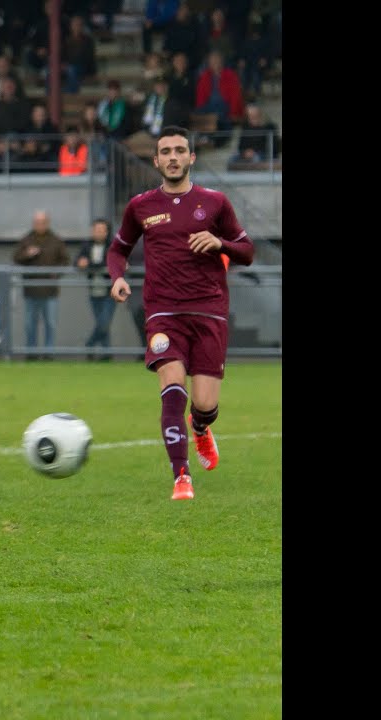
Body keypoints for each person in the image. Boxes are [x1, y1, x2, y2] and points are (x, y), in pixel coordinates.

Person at [107, 125, 253, 501]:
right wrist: (118, 277)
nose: (173, 157)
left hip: (209, 312)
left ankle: (202, 428)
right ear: (156, 161)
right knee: (172, 390)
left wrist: (220, 242)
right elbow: (118, 248)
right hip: (162, 313)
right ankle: (181, 476)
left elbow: (247, 250)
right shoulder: (141, 206)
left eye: (179, 150)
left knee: (204, 404)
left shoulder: (216, 202)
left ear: (191, 157)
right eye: (166, 151)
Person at [12, 210, 69, 360]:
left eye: (42, 222)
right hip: (31, 290)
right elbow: (16, 258)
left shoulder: (56, 240)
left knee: (50, 323)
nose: (39, 225)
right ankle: (31, 353)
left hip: (50, 290)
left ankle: (49, 353)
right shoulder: (26, 239)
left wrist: (55, 273)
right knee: (30, 324)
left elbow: (65, 261)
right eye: (37, 223)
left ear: (47, 223)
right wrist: (27, 254)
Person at [74, 219, 116, 361]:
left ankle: (90, 344)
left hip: (110, 291)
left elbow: (109, 262)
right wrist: (80, 262)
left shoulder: (112, 245)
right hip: (94, 290)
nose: (98, 233)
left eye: (101, 230)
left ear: (106, 232)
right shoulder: (86, 245)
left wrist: (89, 264)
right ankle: (106, 354)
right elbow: (77, 261)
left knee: (104, 322)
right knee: (101, 323)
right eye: (96, 230)